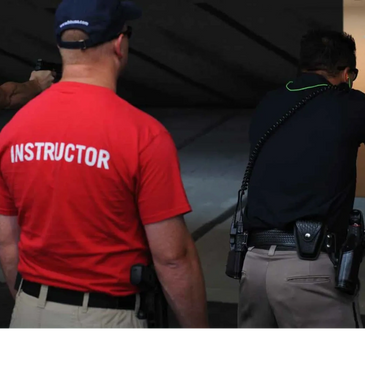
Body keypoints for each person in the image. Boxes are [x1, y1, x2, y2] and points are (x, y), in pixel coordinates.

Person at [0, 0, 209, 333]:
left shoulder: (12, 131)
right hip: (105, 317)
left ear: (60, 45)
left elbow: (8, 244)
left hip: (28, 312)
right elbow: (173, 257)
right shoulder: (144, 134)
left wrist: (32, 305)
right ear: (119, 44)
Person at [238, 29, 364, 332]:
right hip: (308, 268)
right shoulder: (348, 104)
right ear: (346, 73)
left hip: (252, 268)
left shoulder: (269, 103)